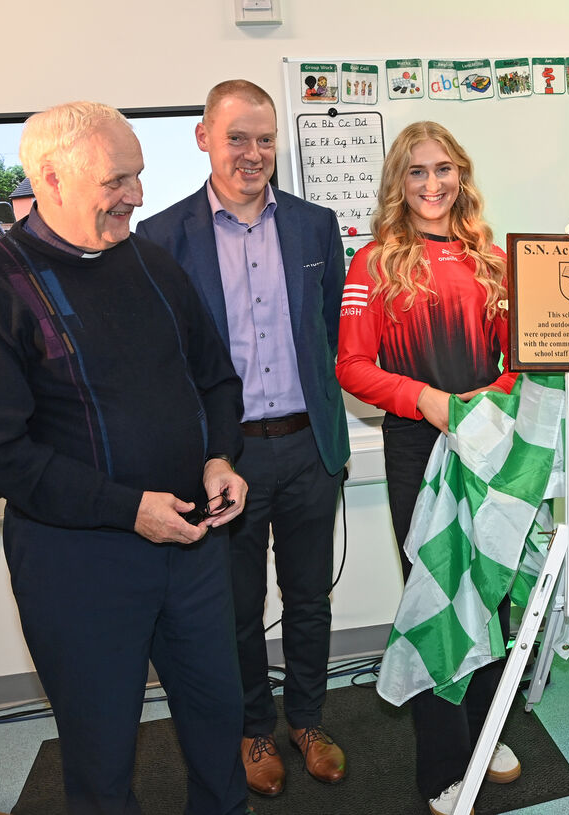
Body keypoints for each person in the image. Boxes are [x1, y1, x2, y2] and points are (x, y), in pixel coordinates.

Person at [0, 101, 250, 815]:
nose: (137, 195)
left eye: (137, 176)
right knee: (101, 756)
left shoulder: (150, 262)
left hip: (193, 547)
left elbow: (215, 377)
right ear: (51, 176)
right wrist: (128, 509)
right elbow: (0, 454)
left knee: (217, 720)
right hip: (77, 565)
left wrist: (220, 459)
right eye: (118, 179)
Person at [138, 79, 350, 797]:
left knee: (311, 596)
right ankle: (254, 728)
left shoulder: (317, 226)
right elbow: (162, 361)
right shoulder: (161, 238)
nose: (253, 153)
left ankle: (310, 720)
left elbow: (328, 333)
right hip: (223, 460)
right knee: (235, 606)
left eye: (265, 138)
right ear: (203, 138)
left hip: (307, 447)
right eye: (237, 137)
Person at [335, 121, 521, 815]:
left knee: (494, 587)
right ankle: (444, 764)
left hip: (489, 442)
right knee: (439, 596)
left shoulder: (492, 259)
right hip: (419, 446)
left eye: (444, 169)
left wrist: (490, 396)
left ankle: (489, 731)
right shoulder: (374, 263)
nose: (433, 183)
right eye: (417, 172)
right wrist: (429, 401)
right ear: (398, 182)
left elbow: (519, 360)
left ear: (461, 175)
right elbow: (351, 368)